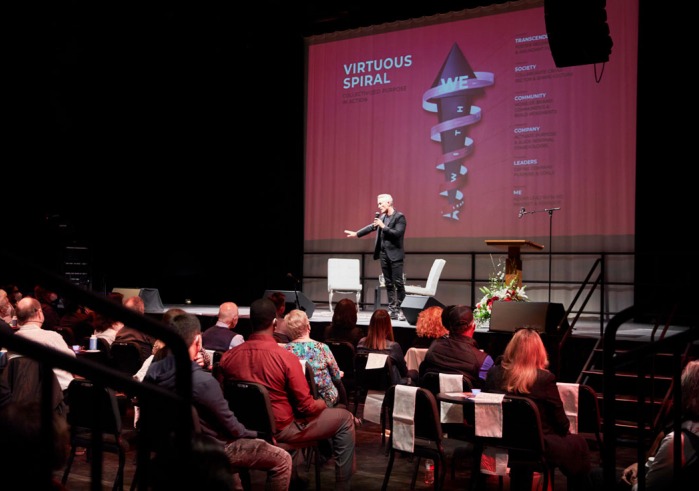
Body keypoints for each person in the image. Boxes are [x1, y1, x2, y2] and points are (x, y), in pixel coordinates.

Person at [144, 312, 293, 490]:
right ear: (198, 341)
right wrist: (259, 435)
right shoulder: (202, 382)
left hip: (167, 444)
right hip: (208, 448)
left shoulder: (153, 372)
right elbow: (233, 428)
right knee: (282, 459)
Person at [218, 297, 355, 491]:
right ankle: (343, 487)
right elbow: (306, 406)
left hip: (243, 426)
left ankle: (293, 479)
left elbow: (224, 397)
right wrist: (323, 403)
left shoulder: (228, 357)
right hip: (281, 429)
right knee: (345, 419)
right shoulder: (285, 358)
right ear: (275, 324)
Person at [483, 327, 592, 491]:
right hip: (537, 445)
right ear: (539, 352)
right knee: (579, 443)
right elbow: (562, 423)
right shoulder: (544, 378)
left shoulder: (494, 373)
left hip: (501, 440)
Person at [618, 359, 699, 490]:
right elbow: (652, 458)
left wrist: (635, 483)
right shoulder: (678, 425)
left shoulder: (679, 440)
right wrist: (640, 465)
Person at [344, 193, 407, 321]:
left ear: (388, 203)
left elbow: (398, 233)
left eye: (381, 203)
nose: (378, 206)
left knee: (398, 283)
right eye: (378, 204)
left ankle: (401, 309)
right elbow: (371, 227)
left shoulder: (399, 217)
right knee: (388, 283)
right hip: (383, 255)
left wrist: (383, 226)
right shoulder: (382, 217)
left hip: (395, 255)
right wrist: (357, 234)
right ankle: (392, 310)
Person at [418, 305, 493, 388]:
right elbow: (486, 391)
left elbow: (422, 375)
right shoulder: (483, 360)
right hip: (465, 401)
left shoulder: (434, 347)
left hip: (435, 400)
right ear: (473, 326)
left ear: (449, 327)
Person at [10, 297, 75, 392]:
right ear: (39, 312)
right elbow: (71, 362)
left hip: (23, 397)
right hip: (58, 396)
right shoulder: (52, 336)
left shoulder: (11, 341)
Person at [285, 309, 343, 408]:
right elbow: (336, 376)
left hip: (295, 400)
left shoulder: (285, 350)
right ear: (308, 327)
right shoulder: (322, 348)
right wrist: (338, 374)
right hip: (323, 399)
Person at [357, 309, 417, 386]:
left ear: (371, 324)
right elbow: (404, 372)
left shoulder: (361, 344)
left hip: (366, 384)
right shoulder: (393, 347)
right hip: (390, 387)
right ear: (388, 326)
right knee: (414, 374)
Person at [113, 295, 156, 364]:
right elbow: (157, 353)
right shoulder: (149, 332)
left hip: (122, 372)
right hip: (145, 372)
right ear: (142, 310)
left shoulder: (119, 334)